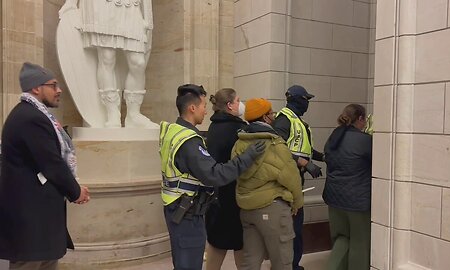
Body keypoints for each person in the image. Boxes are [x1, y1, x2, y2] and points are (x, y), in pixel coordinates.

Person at [159, 84, 266, 270]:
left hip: (176, 207)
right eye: (202, 106)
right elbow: (215, 174)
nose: (206, 110)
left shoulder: (172, 131)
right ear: (192, 108)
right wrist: (247, 157)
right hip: (187, 212)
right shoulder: (189, 140)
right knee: (189, 264)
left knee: (184, 261)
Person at [0, 62, 90, 270]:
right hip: (31, 223)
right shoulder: (30, 118)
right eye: (53, 85)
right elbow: (52, 163)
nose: (59, 90)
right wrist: (76, 191)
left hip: (38, 221)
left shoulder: (35, 115)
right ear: (36, 88)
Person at [59, 0, 157, 128]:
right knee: (107, 58)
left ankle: (133, 114)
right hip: (102, 6)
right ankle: (112, 112)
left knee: (138, 62)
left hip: (130, 5)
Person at [232, 98, 303, 270]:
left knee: (250, 261)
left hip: (247, 208)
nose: (274, 116)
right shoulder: (274, 143)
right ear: (265, 118)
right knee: (282, 261)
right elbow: (291, 176)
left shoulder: (239, 143)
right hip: (272, 209)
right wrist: (297, 202)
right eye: (271, 113)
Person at [272, 85, 324, 270]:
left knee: (295, 227)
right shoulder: (284, 120)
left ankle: (293, 264)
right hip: (286, 183)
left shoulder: (297, 121)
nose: (307, 103)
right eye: (306, 100)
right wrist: (305, 164)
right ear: (296, 99)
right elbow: (277, 148)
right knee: (291, 228)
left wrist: (324, 157)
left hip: (295, 180)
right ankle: (289, 265)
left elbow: (305, 149)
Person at [323, 104, 372, 270]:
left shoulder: (333, 137)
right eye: (364, 119)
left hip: (334, 199)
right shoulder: (364, 140)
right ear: (359, 118)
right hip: (357, 202)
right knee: (360, 243)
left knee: (341, 239)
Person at [205, 88, 247, 270]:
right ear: (230, 105)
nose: (241, 103)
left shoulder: (214, 126)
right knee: (241, 243)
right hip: (233, 195)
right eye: (238, 100)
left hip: (215, 196)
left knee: (217, 242)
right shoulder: (237, 129)